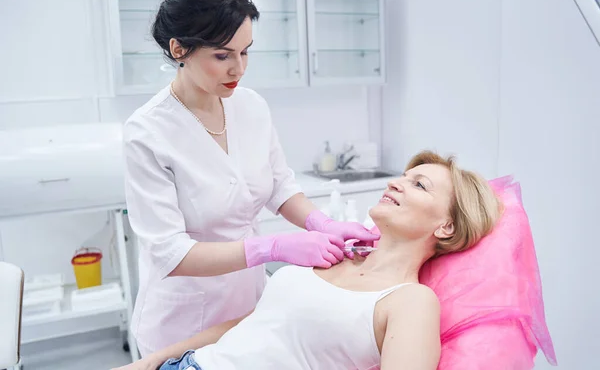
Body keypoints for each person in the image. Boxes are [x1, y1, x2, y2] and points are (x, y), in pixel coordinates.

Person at [122, 0, 378, 357]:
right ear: (179, 50)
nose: (238, 69)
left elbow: (279, 186)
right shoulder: (147, 132)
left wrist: (322, 223)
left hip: (249, 311)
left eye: (245, 52)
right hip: (182, 321)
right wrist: (272, 246)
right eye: (222, 55)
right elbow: (170, 254)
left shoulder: (251, 106)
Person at [113, 150, 503, 370]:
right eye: (403, 175)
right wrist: (153, 361)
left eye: (419, 184)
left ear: (446, 227)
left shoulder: (411, 301)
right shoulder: (335, 257)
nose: (395, 182)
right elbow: (255, 322)